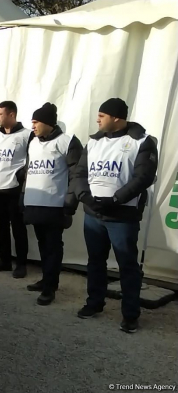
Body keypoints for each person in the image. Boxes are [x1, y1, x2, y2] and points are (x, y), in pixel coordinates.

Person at [74, 98, 158, 334]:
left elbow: (143, 177)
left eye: (102, 115)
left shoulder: (142, 142)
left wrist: (115, 199)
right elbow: (80, 173)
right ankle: (94, 303)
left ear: (117, 118)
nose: (97, 119)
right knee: (95, 261)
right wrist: (85, 196)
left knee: (127, 265)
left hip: (122, 215)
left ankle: (130, 315)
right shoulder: (93, 142)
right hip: (93, 213)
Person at [22, 103, 82, 305]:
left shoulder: (67, 142)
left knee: (53, 247)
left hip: (55, 205)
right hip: (34, 203)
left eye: (36, 122)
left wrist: (70, 201)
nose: (33, 126)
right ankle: (46, 279)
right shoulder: (33, 143)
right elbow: (30, 170)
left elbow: (77, 174)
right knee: (42, 244)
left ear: (48, 122)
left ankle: (50, 287)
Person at [0, 101, 34, 278]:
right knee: (1, 227)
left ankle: (21, 264)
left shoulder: (27, 135)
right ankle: (5, 260)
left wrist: (22, 176)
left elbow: (34, 159)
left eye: (0, 114)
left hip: (14, 189)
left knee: (18, 228)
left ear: (11, 114)